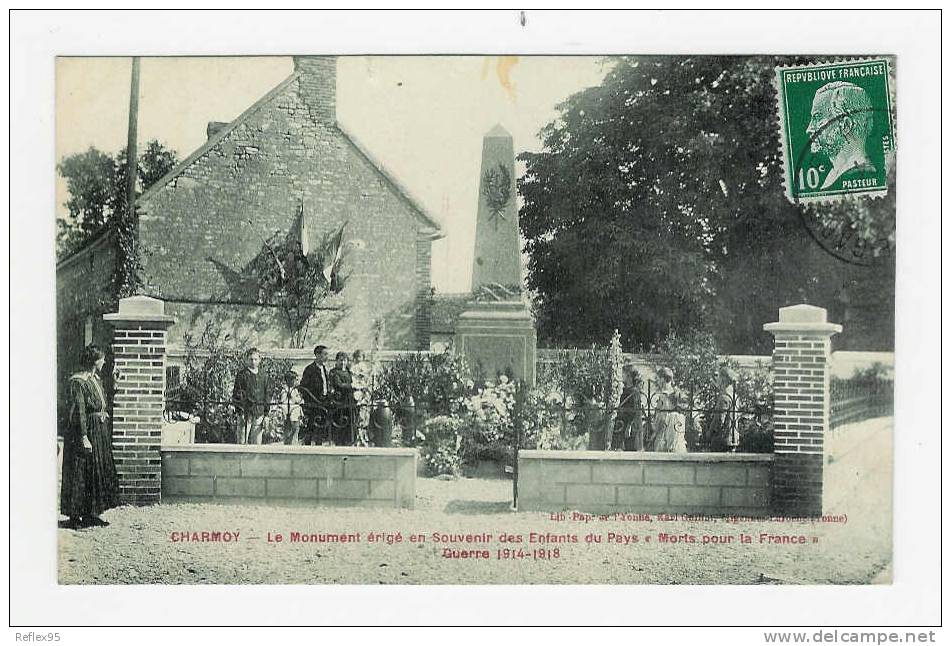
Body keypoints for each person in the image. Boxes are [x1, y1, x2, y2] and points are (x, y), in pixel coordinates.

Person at [60, 345, 119, 529]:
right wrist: (84, 436)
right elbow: (80, 411)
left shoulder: (95, 379)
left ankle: (91, 513)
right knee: (81, 472)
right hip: (85, 432)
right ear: (94, 361)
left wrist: (115, 384)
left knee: (96, 472)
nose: (104, 361)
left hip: (98, 430)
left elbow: (101, 401)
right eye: (102, 359)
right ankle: (75, 516)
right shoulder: (78, 381)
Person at [805, 81, 877, 189]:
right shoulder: (835, 175)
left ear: (845, 125)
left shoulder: (855, 174)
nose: (809, 129)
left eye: (818, 117)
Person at [231, 348, 271, 444]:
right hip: (245, 414)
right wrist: (240, 412)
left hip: (259, 413)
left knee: (257, 444)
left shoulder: (264, 376)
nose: (253, 361)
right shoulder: (242, 375)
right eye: (251, 359)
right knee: (241, 442)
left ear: (259, 360)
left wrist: (266, 414)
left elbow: (267, 395)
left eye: (255, 359)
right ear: (247, 360)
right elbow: (237, 394)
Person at [299, 345, 331, 445]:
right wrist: (311, 399)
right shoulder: (310, 369)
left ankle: (319, 445)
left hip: (324, 401)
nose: (326, 357)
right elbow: (303, 387)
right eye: (324, 354)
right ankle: (307, 446)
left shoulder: (324, 369)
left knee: (321, 427)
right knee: (311, 427)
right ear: (317, 355)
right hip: (313, 403)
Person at [703, 366, 739, 452]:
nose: (717, 380)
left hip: (723, 438)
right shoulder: (734, 395)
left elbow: (719, 420)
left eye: (719, 377)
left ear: (724, 379)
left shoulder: (724, 397)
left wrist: (709, 433)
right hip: (733, 437)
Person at [329, 351, 355, 445]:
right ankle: (338, 442)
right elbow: (338, 384)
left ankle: (349, 441)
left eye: (344, 361)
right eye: (340, 361)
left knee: (349, 421)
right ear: (336, 361)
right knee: (340, 420)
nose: (343, 363)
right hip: (339, 400)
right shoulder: (333, 372)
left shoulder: (349, 372)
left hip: (349, 400)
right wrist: (351, 385)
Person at [349, 349, 373, 446]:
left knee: (364, 415)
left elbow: (367, 379)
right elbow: (353, 380)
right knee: (357, 416)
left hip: (364, 392)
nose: (359, 359)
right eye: (357, 357)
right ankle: (357, 437)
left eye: (360, 357)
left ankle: (364, 436)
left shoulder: (365, 367)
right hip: (357, 391)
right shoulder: (353, 367)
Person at [277, 370, 304, 445]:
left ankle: (294, 445)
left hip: (296, 414)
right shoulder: (285, 391)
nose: (297, 381)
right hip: (289, 415)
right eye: (295, 379)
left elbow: (299, 400)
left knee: (295, 432)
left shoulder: (295, 390)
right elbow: (283, 402)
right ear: (290, 380)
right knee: (289, 432)